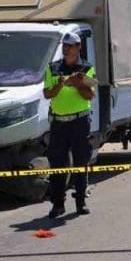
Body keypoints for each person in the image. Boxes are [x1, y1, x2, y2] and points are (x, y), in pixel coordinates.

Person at [43, 31, 97, 218]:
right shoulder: (53, 68)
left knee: (81, 161)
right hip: (58, 123)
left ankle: (80, 202)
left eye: (70, 46)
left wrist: (79, 85)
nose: (66, 49)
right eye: (64, 46)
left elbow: (90, 95)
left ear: (78, 47)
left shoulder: (86, 69)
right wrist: (58, 86)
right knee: (58, 164)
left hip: (79, 121)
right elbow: (47, 94)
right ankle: (58, 204)